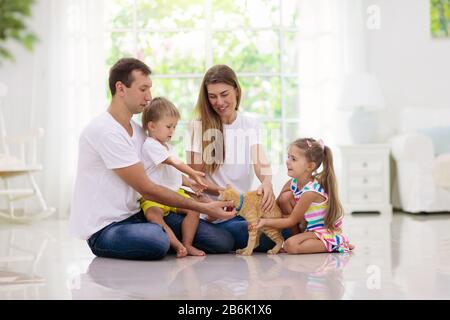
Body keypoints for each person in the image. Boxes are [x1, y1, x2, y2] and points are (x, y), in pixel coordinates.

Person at [69, 58, 236, 261]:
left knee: (221, 241)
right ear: (120, 88)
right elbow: (147, 188)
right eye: (143, 89)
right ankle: (163, 237)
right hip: (106, 228)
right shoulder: (105, 131)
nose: (149, 97)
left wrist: (196, 192)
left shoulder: (140, 132)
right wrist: (203, 207)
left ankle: (171, 238)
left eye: (150, 89)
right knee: (156, 240)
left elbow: (163, 172)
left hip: (137, 214)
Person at [186, 64, 290, 251]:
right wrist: (221, 195)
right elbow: (195, 180)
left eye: (224, 94)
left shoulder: (250, 124)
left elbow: (260, 160)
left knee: (285, 227)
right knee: (225, 240)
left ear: (236, 90)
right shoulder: (198, 126)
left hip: (239, 210)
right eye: (212, 96)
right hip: (210, 212)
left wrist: (266, 181)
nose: (219, 102)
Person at [252, 138, 354, 254]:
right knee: (284, 198)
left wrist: (265, 222)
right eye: (288, 157)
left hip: (321, 232)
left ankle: (337, 242)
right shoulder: (293, 183)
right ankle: (302, 239)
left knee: (291, 246)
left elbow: (291, 221)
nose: (287, 161)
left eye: (293, 159)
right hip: (308, 230)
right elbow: (277, 204)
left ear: (310, 166)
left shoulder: (310, 192)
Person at [140, 97, 208, 258]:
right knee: (154, 216)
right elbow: (174, 162)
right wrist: (192, 172)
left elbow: (175, 174)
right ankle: (176, 245)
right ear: (152, 126)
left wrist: (190, 184)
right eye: (169, 126)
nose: (172, 131)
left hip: (173, 195)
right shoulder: (150, 145)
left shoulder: (167, 146)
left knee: (194, 209)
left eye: (174, 127)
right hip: (155, 197)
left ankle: (187, 244)